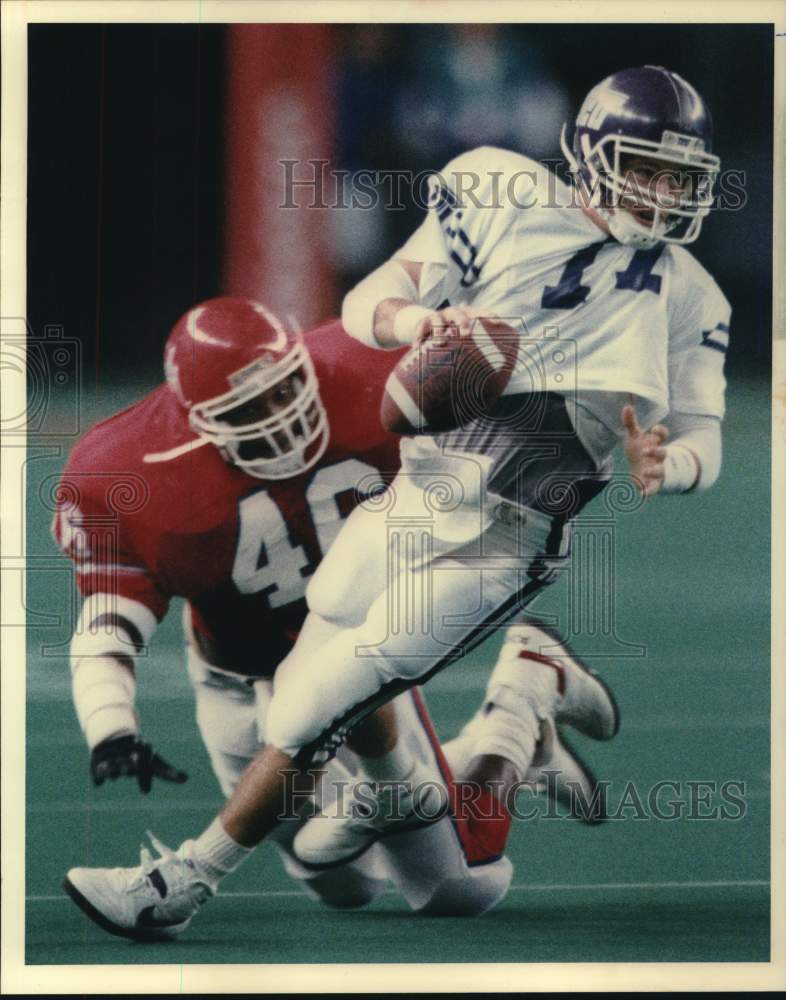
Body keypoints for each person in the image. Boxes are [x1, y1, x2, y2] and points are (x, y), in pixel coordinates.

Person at [61, 63, 722, 937]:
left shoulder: (691, 297)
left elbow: (706, 437)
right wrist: (422, 326)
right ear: (593, 152)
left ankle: (180, 884)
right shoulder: (501, 190)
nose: (664, 191)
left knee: (316, 699)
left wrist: (668, 463)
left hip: (509, 531)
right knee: (322, 655)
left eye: (681, 175)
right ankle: (520, 704)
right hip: (424, 483)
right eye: (646, 167)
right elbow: (374, 296)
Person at [55, 296, 613, 931]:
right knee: (343, 883)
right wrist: (111, 727)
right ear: (200, 423)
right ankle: (508, 727)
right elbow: (108, 624)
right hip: (236, 682)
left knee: (459, 890)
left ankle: (509, 714)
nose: (279, 419)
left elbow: (519, 376)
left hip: (358, 649)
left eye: (286, 389)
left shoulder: (374, 372)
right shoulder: (128, 473)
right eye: (248, 410)